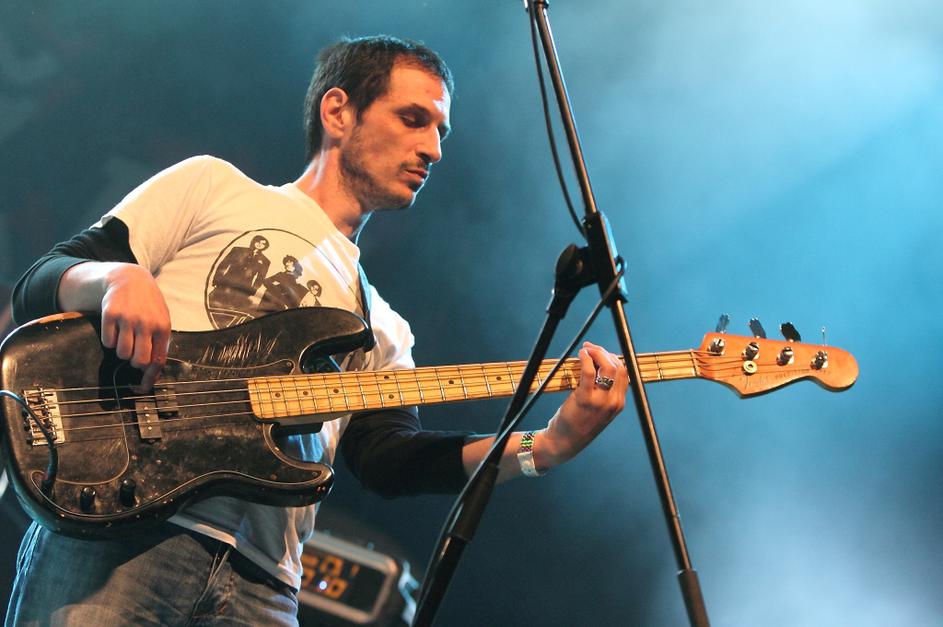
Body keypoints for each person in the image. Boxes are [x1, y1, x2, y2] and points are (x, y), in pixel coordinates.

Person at [5, 35, 628, 626]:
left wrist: (546, 446)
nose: (434, 149)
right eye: (414, 119)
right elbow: (40, 283)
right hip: (126, 524)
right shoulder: (212, 187)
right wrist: (113, 278)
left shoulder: (383, 326)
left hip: (264, 584)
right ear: (338, 112)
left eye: (440, 131)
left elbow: (389, 463)